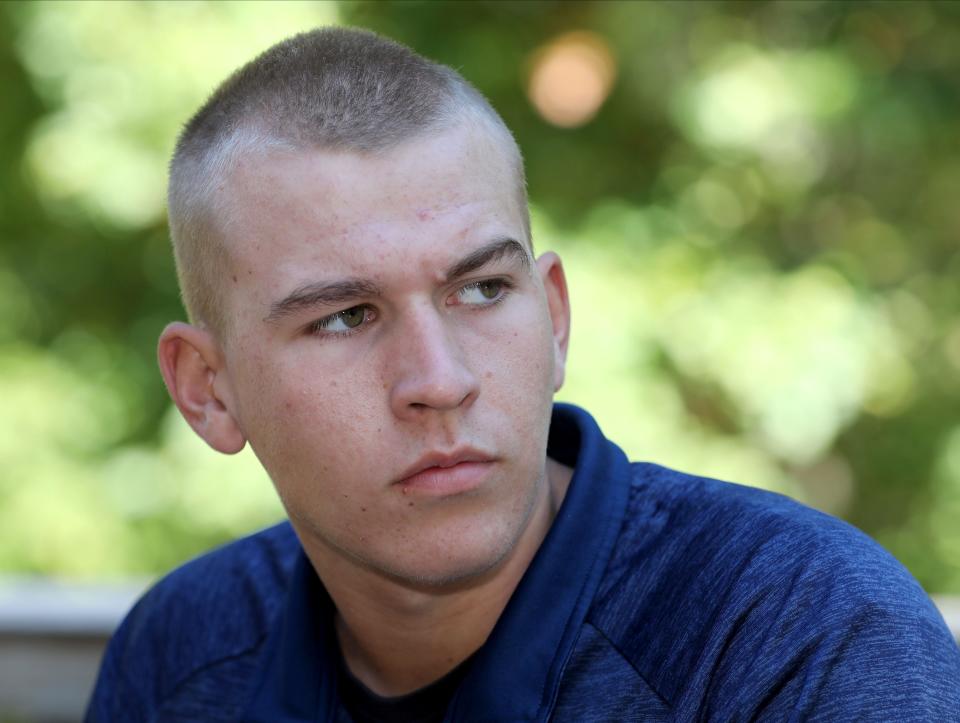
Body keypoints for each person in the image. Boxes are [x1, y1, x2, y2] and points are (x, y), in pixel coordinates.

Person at [86, 27, 959, 722]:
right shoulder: (182, 657)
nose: (439, 378)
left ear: (555, 317)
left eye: (480, 289)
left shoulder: (797, 636)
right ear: (207, 387)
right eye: (345, 316)